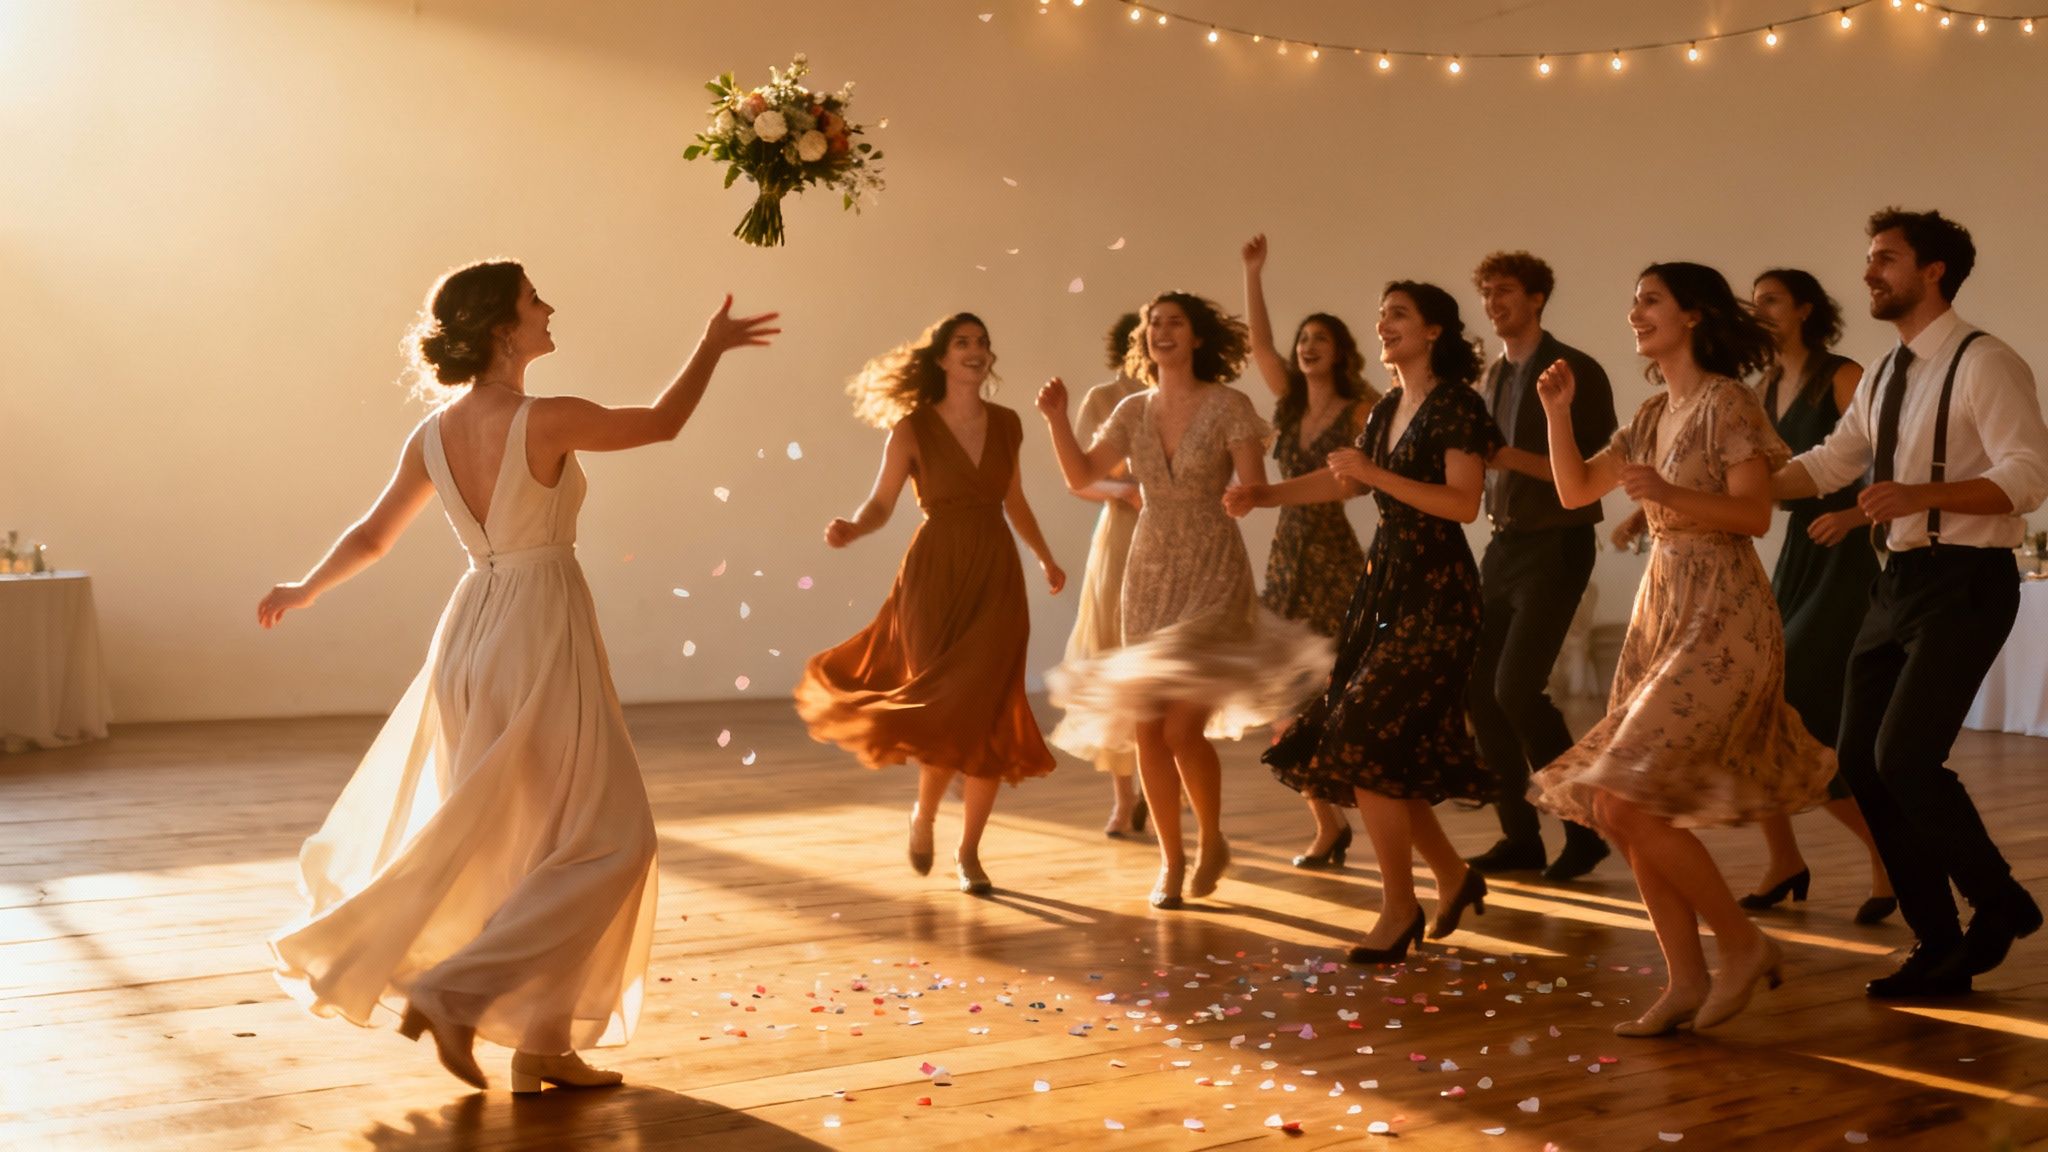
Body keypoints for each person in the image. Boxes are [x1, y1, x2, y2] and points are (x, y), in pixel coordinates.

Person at [260, 261, 777, 1090]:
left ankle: (541, 1047)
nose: (548, 309)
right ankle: (456, 991)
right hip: (538, 627)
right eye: (535, 300)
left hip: (470, 635)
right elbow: (661, 423)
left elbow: (372, 534)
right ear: (504, 326)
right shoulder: (546, 417)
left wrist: (303, 588)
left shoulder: (431, 434)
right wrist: (711, 346)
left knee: (533, 839)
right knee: (614, 837)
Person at [1528, 262, 1835, 1036]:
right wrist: (1557, 414)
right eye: (1633, 299)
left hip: (1724, 611)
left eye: (1651, 300)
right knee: (1611, 801)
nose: (1636, 312)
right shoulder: (1652, 410)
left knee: (1625, 795)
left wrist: (1666, 496)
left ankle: (1741, 944)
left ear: (1693, 315)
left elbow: (1755, 517)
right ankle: (1685, 977)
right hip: (1662, 610)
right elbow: (1574, 493)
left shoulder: (1727, 401)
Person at [1771, 209, 2048, 997]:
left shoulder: (1986, 361)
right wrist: (1740, 483)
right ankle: (1937, 940)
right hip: (1894, 584)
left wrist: (1920, 493)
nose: (1868, 272)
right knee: (1860, 762)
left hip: (1966, 580)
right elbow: (1830, 463)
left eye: (1885, 259)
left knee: (1905, 758)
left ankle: (1998, 905)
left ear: (1933, 272)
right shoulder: (1888, 371)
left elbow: (2029, 476)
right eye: (1869, 258)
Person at [1228, 281, 1501, 964]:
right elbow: (1344, 482)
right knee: (1383, 753)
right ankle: (1454, 877)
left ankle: (1398, 907)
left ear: (1434, 330)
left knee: (1364, 744)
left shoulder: (1458, 405)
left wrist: (1376, 475)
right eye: (1382, 315)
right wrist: (1267, 495)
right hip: (1385, 588)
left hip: (1437, 593)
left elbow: (1463, 504)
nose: (1384, 324)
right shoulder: (1385, 407)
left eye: (1399, 314)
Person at [1038, 291, 1330, 909]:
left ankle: (1212, 838)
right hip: (1147, 570)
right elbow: (1082, 475)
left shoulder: (1229, 404)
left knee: (1180, 727)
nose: (1160, 331)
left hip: (1212, 566)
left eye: (1173, 323)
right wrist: (1056, 419)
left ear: (1197, 338)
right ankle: (1172, 862)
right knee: (1147, 729)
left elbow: (1254, 483)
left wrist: (1247, 494)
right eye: (1152, 324)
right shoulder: (1132, 410)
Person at [796, 313, 1063, 896]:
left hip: (995, 573)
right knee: (944, 707)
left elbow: (1013, 498)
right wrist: (853, 528)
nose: (974, 350)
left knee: (991, 713)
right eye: (962, 342)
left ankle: (969, 853)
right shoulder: (912, 429)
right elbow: (881, 504)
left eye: (982, 342)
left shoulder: (1010, 424)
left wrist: (1044, 556)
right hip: (934, 576)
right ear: (942, 358)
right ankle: (923, 816)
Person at [1738, 268, 1892, 923]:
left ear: (1805, 308)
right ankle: (1784, 859)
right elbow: (1742, 473)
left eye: (1772, 298)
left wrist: (1858, 517)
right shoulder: (1764, 386)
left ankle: (1891, 858)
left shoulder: (1844, 375)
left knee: (1797, 704)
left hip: (1847, 554)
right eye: (1756, 301)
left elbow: (1895, 466)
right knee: (1756, 704)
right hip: (1800, 552)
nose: (1761, 309)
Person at [1464, 251, 1619, 883]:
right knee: (1478, 689)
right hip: (1504, 543)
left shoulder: (1575, 369)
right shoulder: (1491, 375)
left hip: (1558, 541)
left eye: (1505, 292)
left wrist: (1502, 455)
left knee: (1515, 690)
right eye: (1487, 294)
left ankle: (1583, 832)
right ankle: (1520, 837)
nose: (1494, 304)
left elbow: (1586, 468)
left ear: (1536, 299)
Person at [1240, 234, 1378, 869]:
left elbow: (1362, 474)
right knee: (1286, 696)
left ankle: (1359, 805)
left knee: (1335, 691)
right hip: (1286, 558)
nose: (1308, 347)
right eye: (1305, 340)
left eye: (1320, 339)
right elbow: (1259, 345)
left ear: (1340, 351)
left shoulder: (1361, 408)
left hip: (1333, 557)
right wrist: (1254, 272)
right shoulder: (1290, 403)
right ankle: (1327, 824)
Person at [1060, 312, 1151, 838]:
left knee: (1173, 657)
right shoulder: (1103, 397)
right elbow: (1079, 477)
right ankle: (1123, 797)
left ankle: (1172, 783)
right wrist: (1123, 492)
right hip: (1121, 535)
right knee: (1114, 655)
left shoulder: (1186, 395)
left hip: (1179, 535)